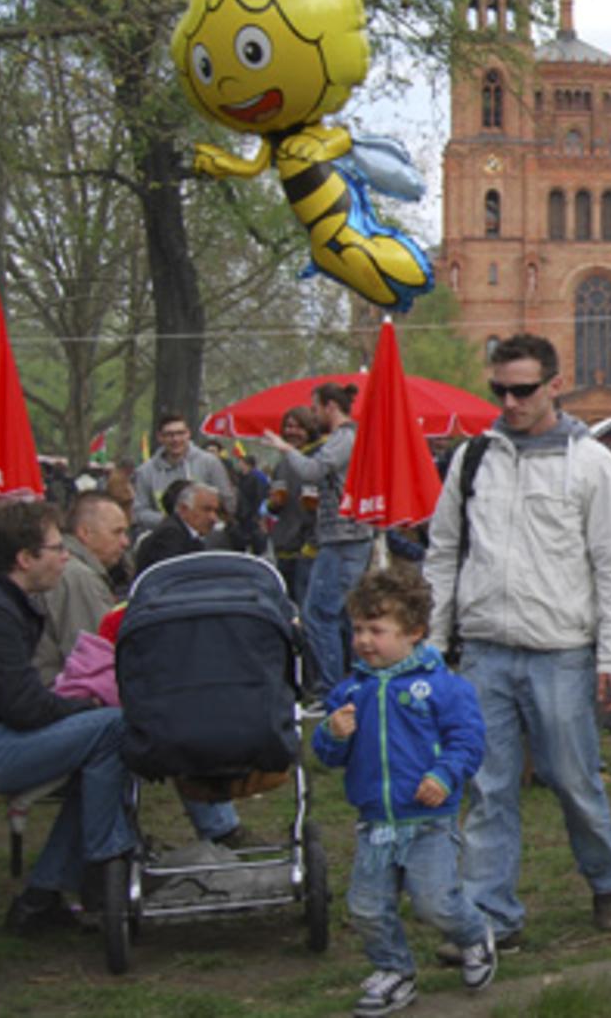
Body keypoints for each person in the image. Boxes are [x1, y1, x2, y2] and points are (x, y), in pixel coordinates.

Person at [423, 333, 611, 950]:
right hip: (485, 650)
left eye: (522, 390)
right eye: (500, 390)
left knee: (572, 781)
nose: (510, 402)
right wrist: (435, 645)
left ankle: (607, 874)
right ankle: (491, 915)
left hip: (561, 652)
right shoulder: (472, 461)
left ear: (553, 385)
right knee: (489, 789)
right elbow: (443, 554)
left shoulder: (593, 464)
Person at [312, 566, 495, 1015]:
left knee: (435, 901)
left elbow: (468, 740)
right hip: (375, 821)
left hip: (428, 819)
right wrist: (332, 734)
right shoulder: (350, 691)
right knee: (367, 907)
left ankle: (474, 935)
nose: (364, 640)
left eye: (377, 630)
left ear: (414, 632)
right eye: (357, 629)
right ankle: (394, 970)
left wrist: (444, 775)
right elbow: (329, 755)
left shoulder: (443, 688)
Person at [0, 502, 135, 933]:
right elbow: (23, 707)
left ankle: (44, 897)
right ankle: (105, 864)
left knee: (96, 767)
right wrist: (86, 709)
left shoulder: (9, 602)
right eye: (56, 548)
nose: (66, 556)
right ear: (25, 559)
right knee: (115, 727)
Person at [256, 382, 373, 697]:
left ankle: (333, 688)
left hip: (343, 537)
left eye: (315, 408)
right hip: (343, 537)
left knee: (319, 614)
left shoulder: (343, 438)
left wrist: (284, 448)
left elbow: (313, 470)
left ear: (330, 407)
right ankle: (350, 683)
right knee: (342, 614)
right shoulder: (349, 437)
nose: (313, 416)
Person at [32, 492, 127, 683]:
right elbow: (96, 660)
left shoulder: (68, 569)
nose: (125, 542)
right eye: (117, 532)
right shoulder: (78, 577)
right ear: (85, 533)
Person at [130, 412, 234, 535]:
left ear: (188, 434)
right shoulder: (145, 471)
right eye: (169, 435)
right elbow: (139, 511)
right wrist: (172, 522)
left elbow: (228, 502)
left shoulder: (210, 463)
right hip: (165, 537)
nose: (175, 439)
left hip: (207, 537)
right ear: (159, 437)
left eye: (180, 433)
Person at [266, 406, 322, 612]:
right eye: (288, 426)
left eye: (299, 427)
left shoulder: (319, 462)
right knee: (287, 609)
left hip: (309, 549)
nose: (292, 431)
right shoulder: (282, 465)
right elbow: (273, 508)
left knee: (308, 611)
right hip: (284, 547)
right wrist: (273, 504)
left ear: (309, 430)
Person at [134, 479, 222, 572]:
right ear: (183, 509)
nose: (213, 518)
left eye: (216, 511)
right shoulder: (170, 535)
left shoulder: (192, 535)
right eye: (206, 510)